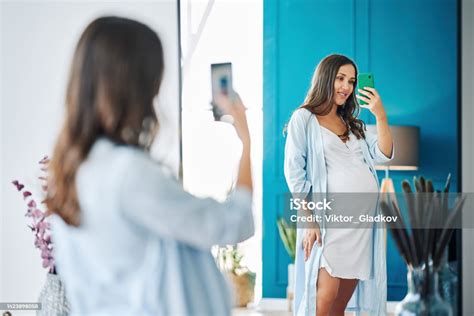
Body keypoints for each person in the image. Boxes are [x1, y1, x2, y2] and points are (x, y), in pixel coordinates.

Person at [46, 16, 254, 315]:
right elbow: (233, 223)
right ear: (136, 86)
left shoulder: (70, 172)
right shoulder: (129, 174)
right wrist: (246, 141)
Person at [284, 54, 394, 316]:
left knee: (339, 304)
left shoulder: (353, 123)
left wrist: (380, 115)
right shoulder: (304, 118)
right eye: (340, 78)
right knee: (323, 299)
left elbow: (384, 153)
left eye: (352, 81)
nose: (347, 87)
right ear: (325, 78)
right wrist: (309, 219)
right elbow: (293, 172)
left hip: (361, 225)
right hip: (329, 221)